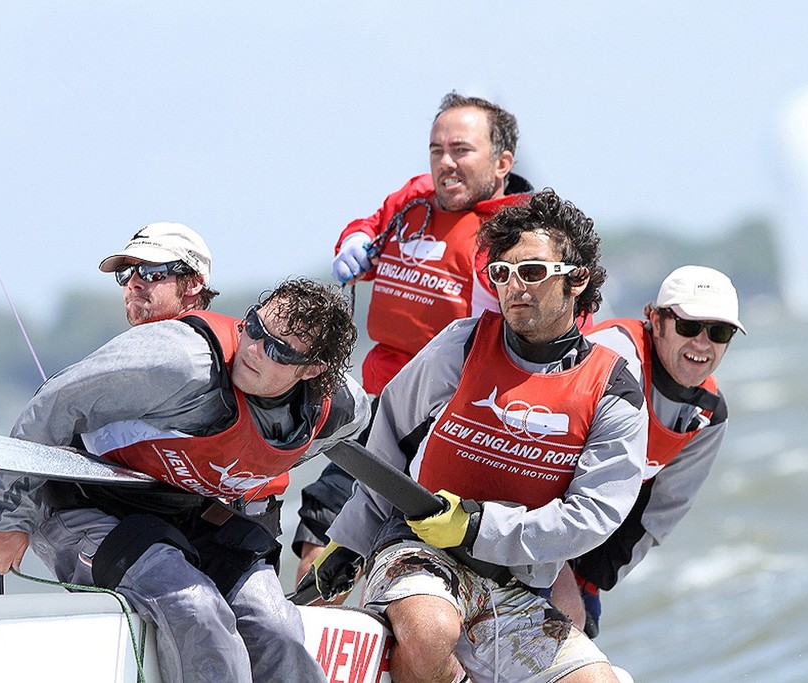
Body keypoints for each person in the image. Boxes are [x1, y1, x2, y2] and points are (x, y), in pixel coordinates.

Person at [310, 190, 649, 683]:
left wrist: (476, 527)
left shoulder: (614, 388)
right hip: (417, 550)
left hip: (514, 581)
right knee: (428, 631)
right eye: (502, 273)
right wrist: (350, 539)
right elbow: (387, 439)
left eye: (532, 272)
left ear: (576, 281)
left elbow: (593, 515)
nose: (515, 287)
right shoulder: (462, 343)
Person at [0, 275, 371, 683]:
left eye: (277, 350)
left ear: (313, 370)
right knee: (199, 612)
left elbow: (357, 441)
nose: (253, 349)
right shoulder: (179, 363)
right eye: (254, 327)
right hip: (86, 503)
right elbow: (51, 406)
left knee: (278, 630)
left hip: (186, 511)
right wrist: (6, 517)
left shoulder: (341, 411)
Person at [295, 91, 535, 582]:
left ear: (501, 162)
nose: (445, 163)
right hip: (377, 399)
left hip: (446, 415)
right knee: (320, 521)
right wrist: (355, 242)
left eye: (461, 150)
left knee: (390, 538)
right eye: (436, 149)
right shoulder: (414, 198)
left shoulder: (515, 236)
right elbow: (371, 223)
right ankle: (318, 633)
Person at [0, 221, 219, 546]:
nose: (134, 284)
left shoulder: (175, 356)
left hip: (170, 527)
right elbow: (78, 438)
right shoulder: (180, 354)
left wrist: (1, 518)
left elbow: (54, 408)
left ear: (194, 282)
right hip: (168, 524)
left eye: (152, 272)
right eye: (126, 274)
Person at [551, 265, 745, 638]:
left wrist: (588, 583)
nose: (703, 344)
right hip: (526, 513)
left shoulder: (707, 415)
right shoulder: (611, 362)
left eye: (719, 332)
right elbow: (539, 463)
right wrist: (553, 569)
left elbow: (655, 515)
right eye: (689, 326)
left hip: (580, 541)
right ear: (655, 320)